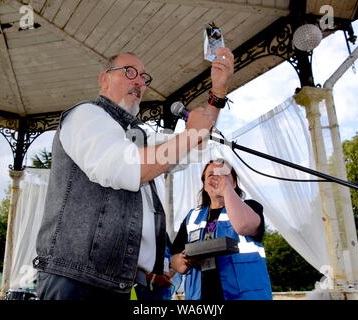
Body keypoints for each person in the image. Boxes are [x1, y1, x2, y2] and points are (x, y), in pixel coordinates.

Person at [33, 48, 234, 300]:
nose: (139, 82)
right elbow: (124, 166)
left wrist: (218, 92)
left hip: (125, 281)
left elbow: (193, 145)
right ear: (104, 78)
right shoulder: (86, 115)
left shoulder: (140, 135)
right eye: (130, 72)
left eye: (144, 78)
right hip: (78, 279)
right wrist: (190, 135)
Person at [170, 159, 272, 300]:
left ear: (234, 182)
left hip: (243, 295)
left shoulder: (250, 207)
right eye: (211, 174)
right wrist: (184, 260)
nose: (217, 176)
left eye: (223, 173)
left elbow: (243, 225)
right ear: (205, 185)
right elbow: (174, 259)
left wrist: (226, 189)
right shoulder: (192, 216)